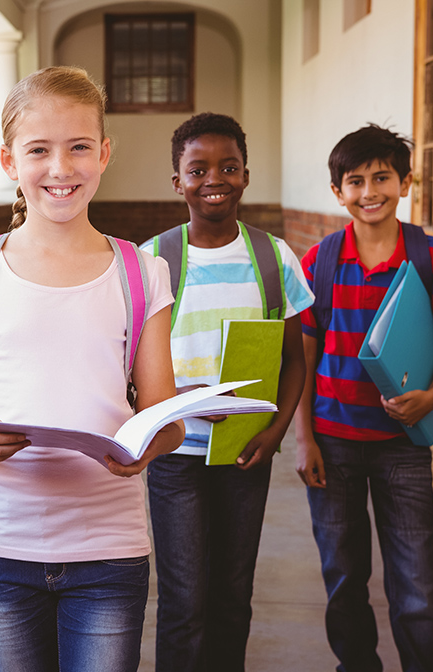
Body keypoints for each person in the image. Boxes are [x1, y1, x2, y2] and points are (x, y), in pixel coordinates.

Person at [0, 65, 182, 672]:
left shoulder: (141, 273)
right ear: (10, 161)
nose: (60, 168)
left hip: (109, 547)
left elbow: (163, 416)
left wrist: (151, 443)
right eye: (39, 150)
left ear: (105, 153)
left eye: (79, 148)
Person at [140, 112, 314, 672]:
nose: (214, 177)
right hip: (175, 453)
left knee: (233, 598)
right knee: (184, 602)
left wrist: (276, 431)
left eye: (228, 166)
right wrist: (177, 398)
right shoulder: (151, 262)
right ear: (177, 181)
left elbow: (294, 359)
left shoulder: (273, 258)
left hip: (246, 451)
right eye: (198, 168)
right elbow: (127, 366)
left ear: (245, 176)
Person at [294, 124, 433, 672]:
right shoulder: (318, 263)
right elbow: (300, 358)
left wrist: (431, 395)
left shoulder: (429, 256)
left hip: (402, 447)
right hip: (333, 444)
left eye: (382, 178)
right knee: (344, 578)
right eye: (355, 181)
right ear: (337, 192)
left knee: (416, 580)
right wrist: (305, 440)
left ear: (405, 182)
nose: (369, 191)